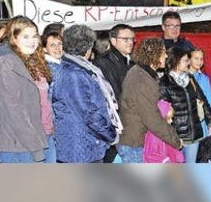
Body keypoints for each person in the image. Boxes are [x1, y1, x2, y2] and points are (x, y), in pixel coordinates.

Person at [50, 25, 120, 163]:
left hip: (86, 145)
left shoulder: (78, 69)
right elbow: (88, 113)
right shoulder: (73, 73)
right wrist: (110, 134)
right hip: (80, 148)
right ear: (88, 48)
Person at [0, 16, 48, 163]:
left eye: (34, 36)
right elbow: (14, 111)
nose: (32, 41)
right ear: (14, 39)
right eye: (25, 36)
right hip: (16, 146)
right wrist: (35, 147)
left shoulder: (30, 62)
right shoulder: (7, 64)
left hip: (34, 140)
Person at [118, 37, 182, 163]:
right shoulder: (143, 80)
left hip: (135, 141)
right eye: (163, 52)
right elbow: (153, 119)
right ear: (154, 54)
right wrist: (175, 140)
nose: (166, 56)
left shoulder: (139, 72)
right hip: (135, 145)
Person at [159, 47, 211, 163]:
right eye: (185, 60)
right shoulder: (164, 82)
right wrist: (170, 135)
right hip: (175, 137)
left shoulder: (190, 78)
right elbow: (163, 112)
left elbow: (203, 100)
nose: (188, 63)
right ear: (176, 61)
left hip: (194, 135)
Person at [96, 24, 136, 163]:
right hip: (117, 127)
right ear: (113, 41)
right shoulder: (103, 62)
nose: (130, 42)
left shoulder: (132, 61)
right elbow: (113, 95)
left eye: (132, 39)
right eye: (125, 39)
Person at [188, 48, 211, 135]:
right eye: (196, 58)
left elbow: (210, 101)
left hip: (206, 124)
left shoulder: (204, 78)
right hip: (191, 126)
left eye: (201, 59)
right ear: (188, 60)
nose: (199, 61)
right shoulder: (183, 78)